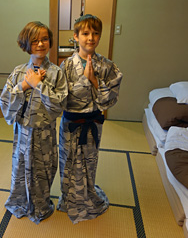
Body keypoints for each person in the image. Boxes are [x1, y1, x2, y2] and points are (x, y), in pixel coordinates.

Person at [0, 21, 68, 224]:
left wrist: (38, 85)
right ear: (26, 44)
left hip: (45, 133)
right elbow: (4, 100)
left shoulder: (56, 72)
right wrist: (24, 85)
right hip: (22, 133)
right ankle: (21, 202)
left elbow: (59, 104)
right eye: (35, 40)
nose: (40, 44)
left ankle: (41, 205)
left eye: (44, 39)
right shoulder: (19, 72)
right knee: (21, 168)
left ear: (50, 42)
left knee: (44, 170)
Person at [57, 14, 123, 224]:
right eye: (85, 33)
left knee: (89, 163)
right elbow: (60, 98)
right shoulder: (66, 66)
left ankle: (86, 197)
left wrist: (94, 80)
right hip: (69, 124)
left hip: (93, 124)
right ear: (76, 36)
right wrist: (85, 82)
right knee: (67, 162)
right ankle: (69, 199)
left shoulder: (108, 66)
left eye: (95, 33)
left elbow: (110, 99)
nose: (91, 38)